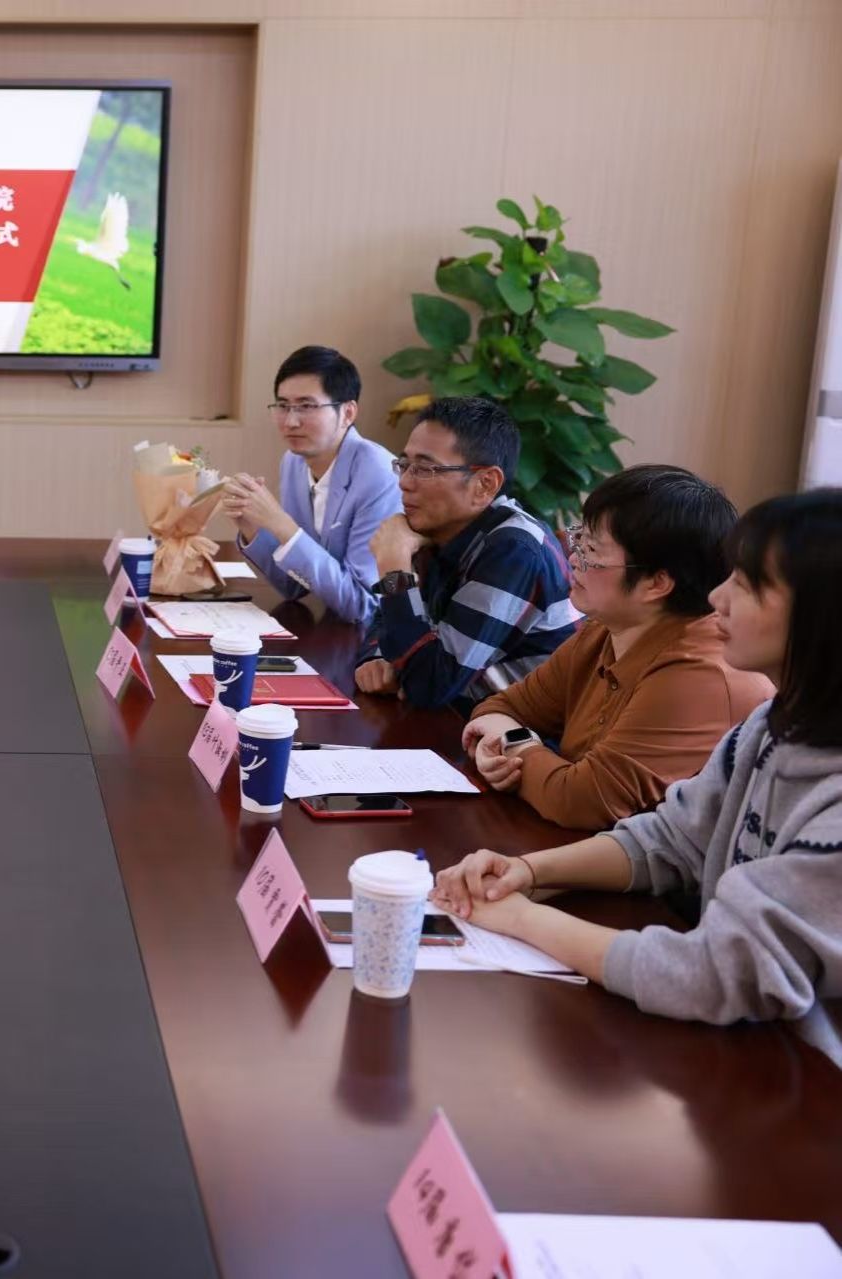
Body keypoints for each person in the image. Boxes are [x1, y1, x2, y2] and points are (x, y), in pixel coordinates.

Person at [433, 490, 842, 1031]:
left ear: (821, 614)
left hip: (800, 1066)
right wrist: (528, 872)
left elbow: (712, 974)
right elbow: (671, 839)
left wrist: (523, 919)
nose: (717, 598)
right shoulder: (771, 727)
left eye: (746, 585)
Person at [461, 466, 772, 830]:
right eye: (579, 540)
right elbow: (501, 708)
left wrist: (511, 749)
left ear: (656, 583)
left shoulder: (700, 676)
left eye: (591, 549)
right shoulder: (606, 631)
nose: (573, 557)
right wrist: (509, 743)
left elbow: (580, 802)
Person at [355, 397, 577, 714]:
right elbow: (387, 620)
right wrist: (376, 658)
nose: (403, 482)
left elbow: (430, 684)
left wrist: (393, 569)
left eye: (425, 469)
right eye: (404, 465)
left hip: (522, 735)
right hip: (463, 721)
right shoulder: (435, 529)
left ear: (485, 484)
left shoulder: (515, 550)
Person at [222, 346, 401, 624]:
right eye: (283, 406)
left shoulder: (379, 473)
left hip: (379, 639)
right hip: (330, 627)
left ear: (347, 413)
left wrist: (280, 523)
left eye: (307, 406)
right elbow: (294, 586)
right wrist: (252, 527)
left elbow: (364, 604)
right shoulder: (293, 462)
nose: (291, 421)